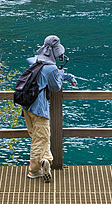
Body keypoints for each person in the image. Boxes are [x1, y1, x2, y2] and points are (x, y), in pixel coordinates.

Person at [23, 35, 77, 181]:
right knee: (40, 140)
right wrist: (63, 77)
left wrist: (64, 75)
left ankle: (45, 160)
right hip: (40, 109)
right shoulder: (51, 67)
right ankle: (34, 171)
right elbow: (55, 87)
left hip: (27, 106)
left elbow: (47, 76)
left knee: (40, 137)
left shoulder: (35, 61)